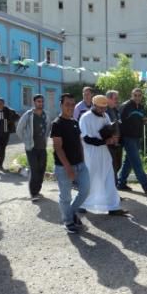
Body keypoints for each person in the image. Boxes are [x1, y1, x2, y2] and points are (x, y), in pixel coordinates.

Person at [79, 95, 128, 215]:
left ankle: (113, 207)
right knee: (90, 179)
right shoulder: (85, 118)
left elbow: (107, 131)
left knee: (109, 177)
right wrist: (104, 141)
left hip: (104, 153)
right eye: (100, 108)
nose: (103, 110)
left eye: (104, 108)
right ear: (94, 105)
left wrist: (112, 138)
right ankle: (82, 204)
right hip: (91, 154)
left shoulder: (105, 115)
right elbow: (86, 139)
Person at [51, 93, 90, 234]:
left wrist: (83, 160)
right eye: (67, 104)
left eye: (73, 104)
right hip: (64, 167)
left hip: (80, 164)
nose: (70, 107)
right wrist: (68, 168)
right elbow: (58, 147)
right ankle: (68, 221)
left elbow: (79, 142)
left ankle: (71, 213)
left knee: (86, 190)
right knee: (65, 196)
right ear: (61, 105)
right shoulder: (57, 124)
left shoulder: (74, 122)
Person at [117, 88, 147, 193]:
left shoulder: (141, 107)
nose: (137, 97)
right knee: (137, 162)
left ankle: (121, 183)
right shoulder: (126, 106)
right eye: (135, 95)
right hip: (128, 138)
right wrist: (120, 138)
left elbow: (137, 119)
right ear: (131, 95)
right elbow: (119, 122)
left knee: (128, 162)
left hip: (137, 137)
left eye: (139, 95)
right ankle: (145, 185)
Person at [16, 94, 51, 201]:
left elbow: (48, 128)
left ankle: (38, 190)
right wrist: (26, 141)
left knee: (42, 169)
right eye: (38, 101)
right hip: (31, 148)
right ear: (34, 102)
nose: (40, 103)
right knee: (35, 169)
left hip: (42, 147)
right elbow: (19, 129)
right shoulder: (28, 115)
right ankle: (33, 193)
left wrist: (45, 139)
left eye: (42, 101)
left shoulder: (46, 115)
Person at [0, 98, 19, 171]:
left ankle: (0, 164)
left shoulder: (9, 111)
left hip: (5, 133)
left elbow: (17, 116)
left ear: (3, 104)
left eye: (0, 103)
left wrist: (10, 122)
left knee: (2, 149)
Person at [105, 90, 122, 185]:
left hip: (117, 143)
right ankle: (114, 194)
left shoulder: (115, 109)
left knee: (117, 165)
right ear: (108, 99)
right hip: (109, 144)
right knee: (112, 167)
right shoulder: (104, 111)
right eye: (115, 98)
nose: (117, 101)